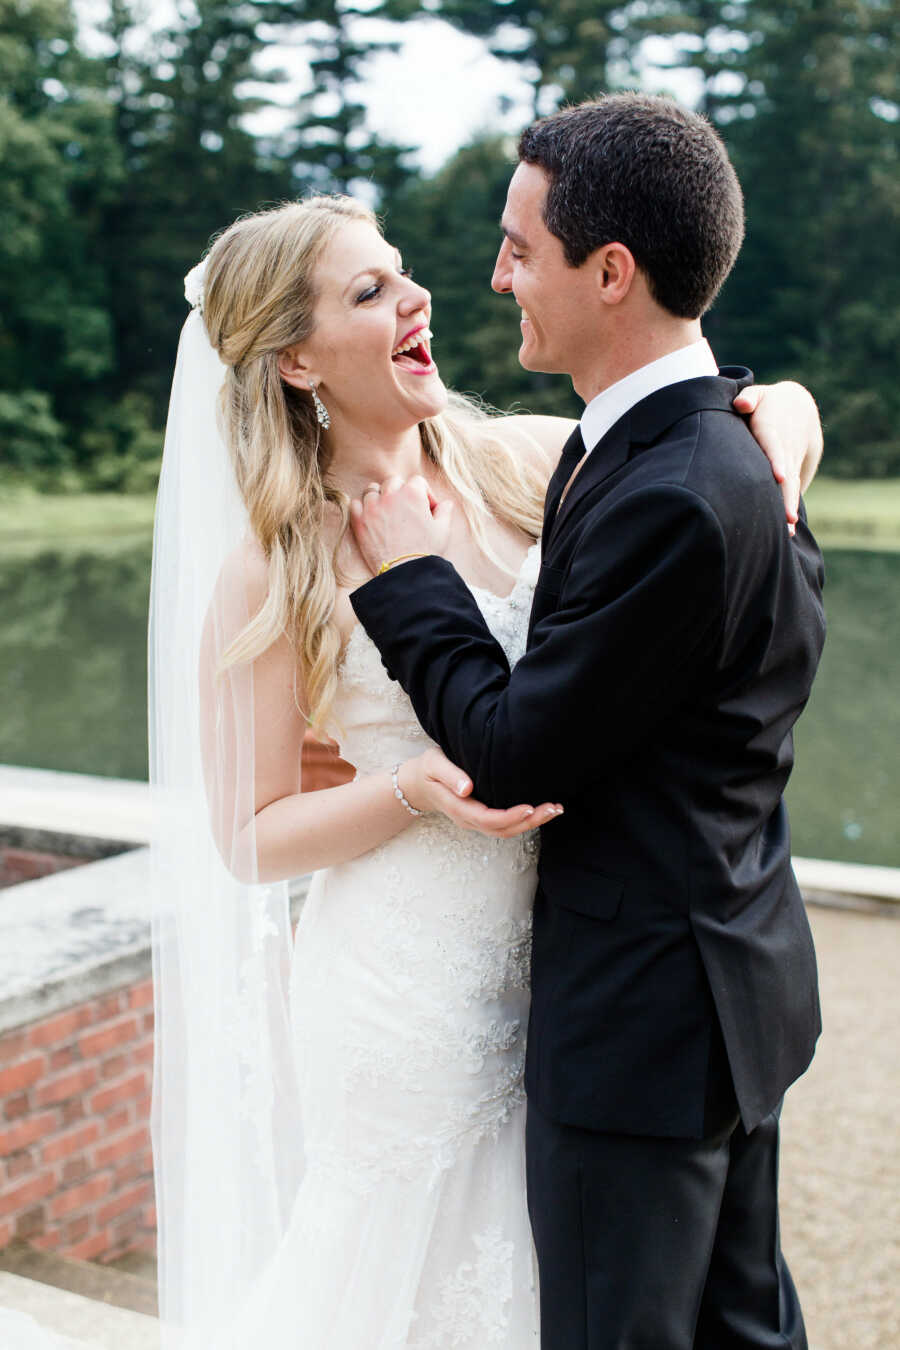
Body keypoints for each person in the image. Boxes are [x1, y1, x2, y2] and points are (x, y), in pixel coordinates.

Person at [146, 187, 823, 1350]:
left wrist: (791, 410)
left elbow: (687, 442)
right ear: (297, 361)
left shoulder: (524, 459)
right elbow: (249, 834)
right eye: (369, 291)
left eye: (402, 271)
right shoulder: (275, 564)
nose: (420, 298)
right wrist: (406, 793)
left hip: (583, 966)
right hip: (409, 981)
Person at [349, 95, 825, 1350]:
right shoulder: (706, 437)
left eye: (520, 247)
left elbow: (514, 754)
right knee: (743, 1332)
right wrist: (788, 397)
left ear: (611, 272)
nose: (495, 273)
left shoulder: (680, 484)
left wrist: (408, 585)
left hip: (647, 1029)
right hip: (725, 984)